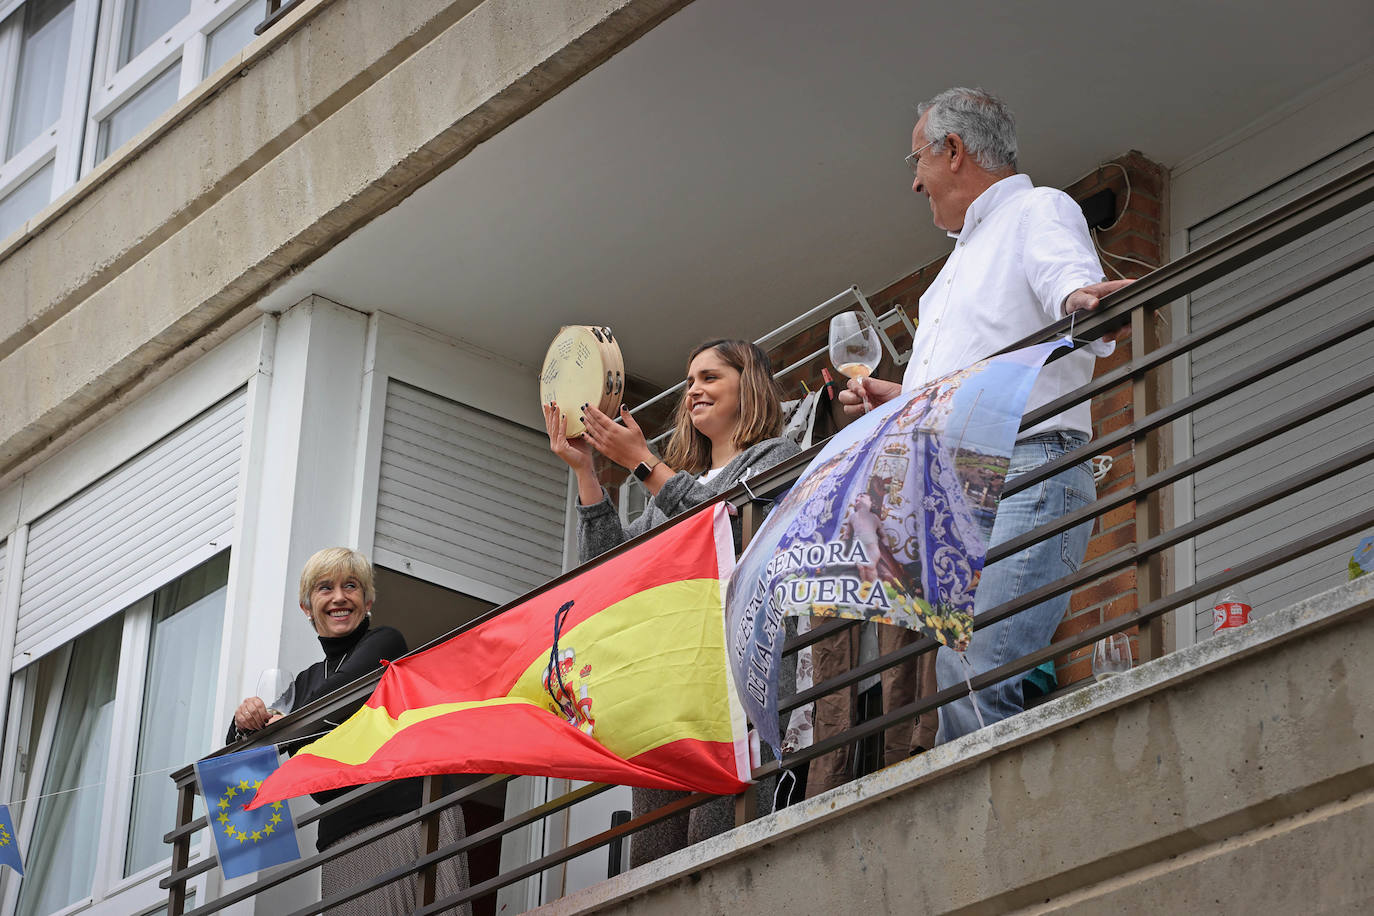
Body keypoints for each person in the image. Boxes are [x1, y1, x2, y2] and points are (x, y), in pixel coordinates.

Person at [839, 87, 1133, 742]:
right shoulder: (947, 277)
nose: (914, 182)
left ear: (953, 150)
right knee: (965, 682)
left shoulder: (1037, 209)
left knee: (974, 670)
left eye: (916, 160)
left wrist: (1080, 299)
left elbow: (1068, 283)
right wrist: (900, 399)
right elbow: (950, 390)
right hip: (959, 490)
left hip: (1027, 466)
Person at [544, 338, 799, 866]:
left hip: (735, 692)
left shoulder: (777, 457)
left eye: (710, 377)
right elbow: (609, 569)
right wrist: (587, 472)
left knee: (718, 858)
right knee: (654, 865)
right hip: (667, 696)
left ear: (748, 386)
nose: (694, 391)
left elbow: (731, 526)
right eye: (689, 382)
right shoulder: (667, 492)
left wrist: (643, 464)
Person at [230, 548, 470, 915]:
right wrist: (244, 721)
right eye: (325, 588)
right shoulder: (305, 684)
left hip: (411, 818)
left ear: (368, 600)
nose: (339, 597)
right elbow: (238, 758)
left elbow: (344, 692)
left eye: (351, 586)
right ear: (307, 607)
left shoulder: (386, 642)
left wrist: (285, 723)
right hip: (344, 838)